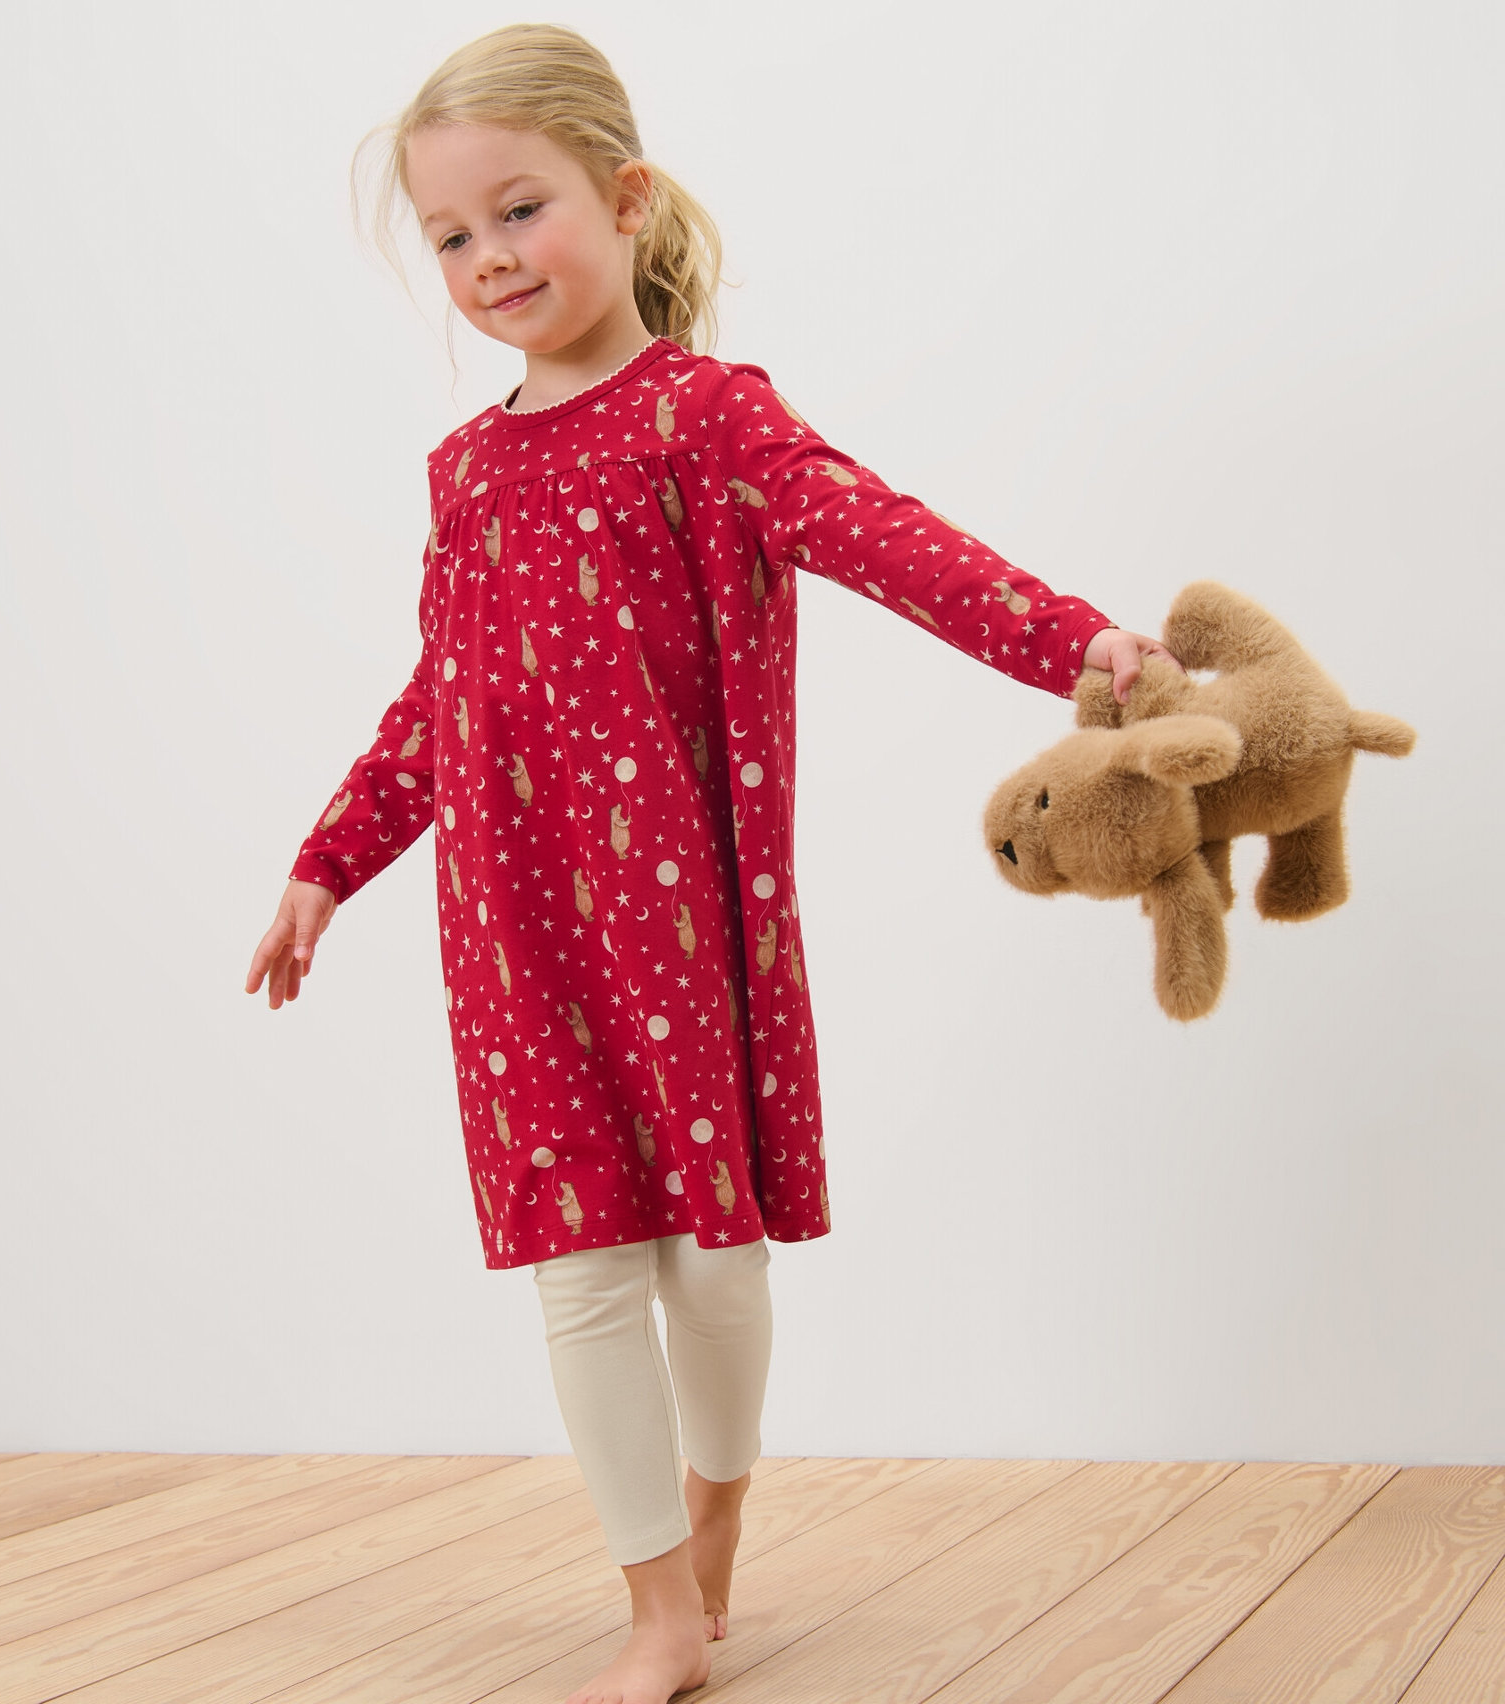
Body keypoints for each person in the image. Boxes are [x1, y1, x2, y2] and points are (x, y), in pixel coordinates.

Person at [243, 24, 1182, 1704]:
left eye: (519, 210)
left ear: (625, 198)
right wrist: (329, 863)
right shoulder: (466, 473)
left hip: (677, 934)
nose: (488, 258)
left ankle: (719, 1499)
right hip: (515, 940)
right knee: (584, 1278)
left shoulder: (707, 419)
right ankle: (657, 1607)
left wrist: (1075, 644)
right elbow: (441, 698)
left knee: (715, 1268)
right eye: (451, 236)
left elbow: (892, 541)